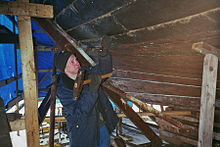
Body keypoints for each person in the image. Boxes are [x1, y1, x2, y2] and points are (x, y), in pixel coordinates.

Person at [55, 44, 118, 146]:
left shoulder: (86, 72)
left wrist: (104, 55)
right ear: (65, 68)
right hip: (83, 133)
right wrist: (92, 91)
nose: (77, 63)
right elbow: (80, 112)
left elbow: (104, 71)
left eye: (76, 59)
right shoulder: (63, 89)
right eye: (72, 62)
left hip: (101, 126)